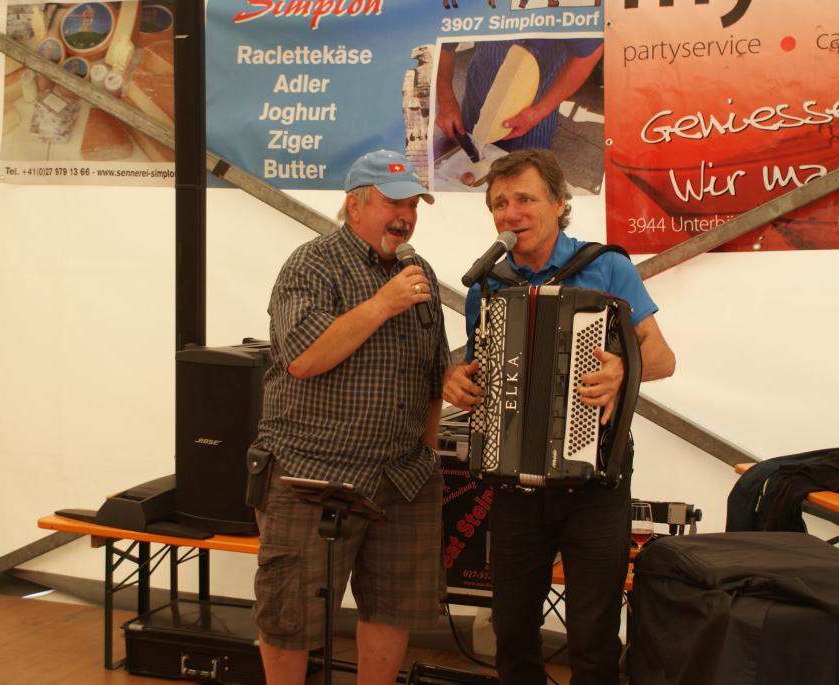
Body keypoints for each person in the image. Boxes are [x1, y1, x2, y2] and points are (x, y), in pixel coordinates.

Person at [442, 149, 675, 684]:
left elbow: (662, 357)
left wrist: (624, 369)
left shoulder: (606, 266)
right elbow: (481, 370)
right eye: (499, 203)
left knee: (593, 636)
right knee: (512, 632)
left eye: (524, 199)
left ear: (559, 204)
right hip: (513, 484)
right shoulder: (487, 285)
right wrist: (457, 381)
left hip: (593, 484)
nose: (510, 213)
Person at [252, 150, 449, 685]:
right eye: (393, 203)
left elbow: (434, 376)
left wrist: (428, 454)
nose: (405, 216)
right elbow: (302, 357)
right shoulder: (312, 264)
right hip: (313, 474)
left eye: (413, 205)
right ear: (355, 205)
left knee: (391, 609)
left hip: (403, 479)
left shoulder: (419, 273)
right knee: (290, 615)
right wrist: (383, 304)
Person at [435, 38, 603, 152]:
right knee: (469, 167)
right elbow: (442, 40)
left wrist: (540, 111)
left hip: (536, 110)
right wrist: (445, 98)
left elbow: (590, 51)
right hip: (479, 96)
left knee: (524, 178)